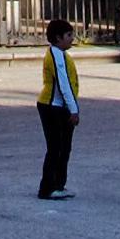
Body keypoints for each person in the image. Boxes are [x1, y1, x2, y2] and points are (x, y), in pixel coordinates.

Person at [36, 16, 81, 202]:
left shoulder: (62, 54)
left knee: (64, 148)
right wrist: (73, 109)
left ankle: (58, 185)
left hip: (59, 107)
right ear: (57, 38)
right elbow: (63, 84)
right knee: (55, 148)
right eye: (68, 35)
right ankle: (47, 188)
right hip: (51, 107)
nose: (72, 38)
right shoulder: (55, 55)